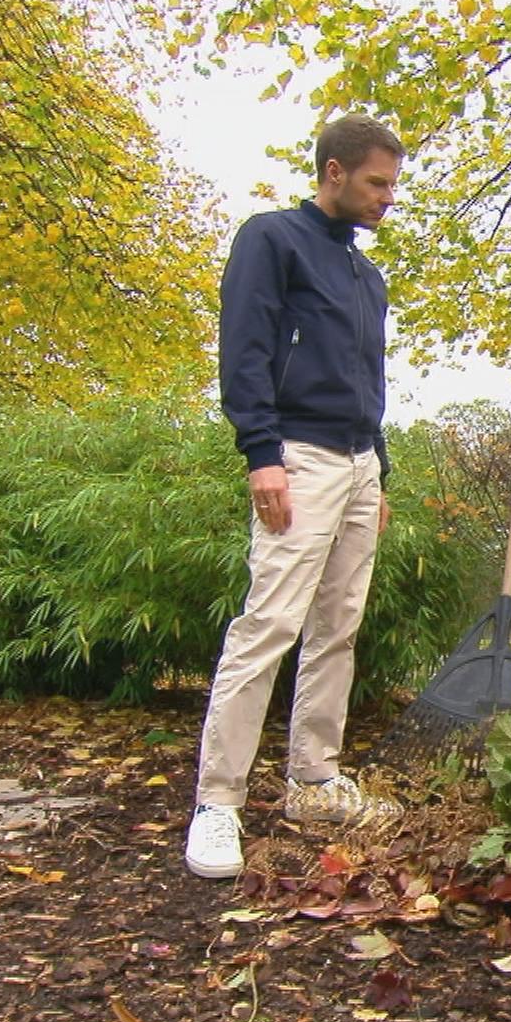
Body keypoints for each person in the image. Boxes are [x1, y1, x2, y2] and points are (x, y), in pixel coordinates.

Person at [185, 114, 407, 880]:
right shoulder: (271, 239)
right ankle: (218, 802)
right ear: (335, 171)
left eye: (393, 185)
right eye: (377, 183)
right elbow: (244, 348)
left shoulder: (365, 275)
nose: (388, 198)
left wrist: (378, 468)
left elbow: (368, 380)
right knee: (269, 624)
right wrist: (260, 454)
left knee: (337, 628)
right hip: (297, 459)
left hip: (357, 467)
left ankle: (313, 780)